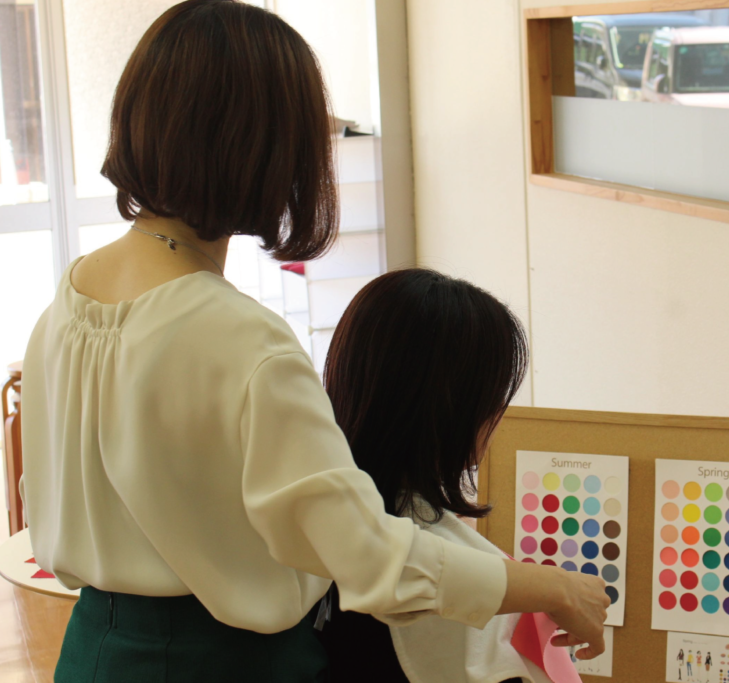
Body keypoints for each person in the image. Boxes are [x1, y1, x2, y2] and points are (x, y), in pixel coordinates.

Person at [18, 2, 607, 681]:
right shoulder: (239, 339)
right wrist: (552, 587)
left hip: (91, 652)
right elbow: (370, 559)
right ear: (263, 148)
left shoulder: (64, 306)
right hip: (223, 665)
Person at [317, 268, 561, 683]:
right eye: (494, 396)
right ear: (454, 408)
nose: (498, 417)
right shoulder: (443, 569)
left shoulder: (323, 520)